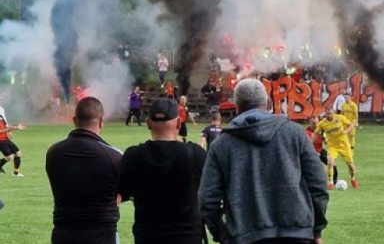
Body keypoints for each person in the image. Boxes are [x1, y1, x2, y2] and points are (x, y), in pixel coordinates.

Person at [199, 79, 329, 244]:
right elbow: (318, 184)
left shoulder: (221, 144)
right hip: (296, 234)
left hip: (244, 236)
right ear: (268, 103)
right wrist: (316, 229)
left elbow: (207, 198)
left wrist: (221, 233)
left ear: (236, 106)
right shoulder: (294, 133)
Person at [118, 98, 207, 244]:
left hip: (148, 236)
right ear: (179, 123)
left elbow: (122, 192)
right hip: (187, 236)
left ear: (148, 123)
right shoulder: (196, 155)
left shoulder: (133, 156)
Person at [46, 97, 123, 244]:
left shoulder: (54, 152)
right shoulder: (113, 155)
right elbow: (127, 191)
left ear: (74, 121)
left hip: (63, 234)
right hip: (102, 235)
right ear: (101, 122)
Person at [315, 107, 359, 189]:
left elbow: (351, 125)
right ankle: (331, 183)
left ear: (333, 113)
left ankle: (353, 179)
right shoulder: (322, 123)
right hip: (332, 146)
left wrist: (346, 131)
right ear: (325, 114)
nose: (329, 115)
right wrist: (311, 142)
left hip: (344, 145)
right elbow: (316, 133)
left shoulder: (340, 118)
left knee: (351, 166)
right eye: (327, 114)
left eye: (330, 113)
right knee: (330, 162)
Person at [305, 116, 338, 186]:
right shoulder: (306, 133)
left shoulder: (322, 130)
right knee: (316, 169)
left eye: (317, 123)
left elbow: (326, 142)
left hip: (320, 150)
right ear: (309, 123)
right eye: (313, 123)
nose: (315, 125)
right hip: (310, 152)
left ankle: (334, 182)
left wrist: (326, 139)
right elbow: (307, 146)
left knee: (332, 163)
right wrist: (315, 153)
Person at [0, 107, 25, 176]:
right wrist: (7, 130)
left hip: (5, 139)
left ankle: (16, 173)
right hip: (1, 140)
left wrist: (17, 127)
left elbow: (6, 125)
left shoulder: (1, 116)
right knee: (9, 157)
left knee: (18, 153)